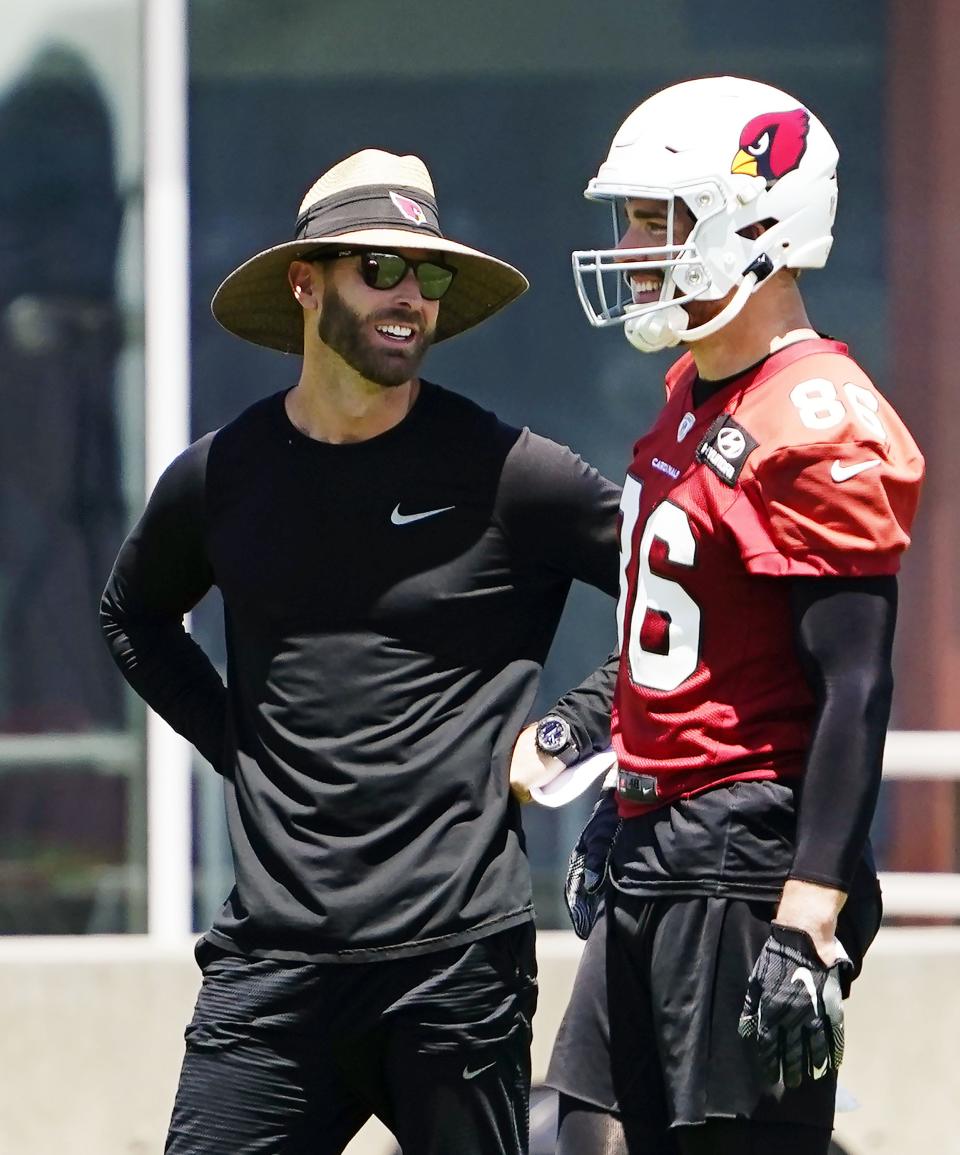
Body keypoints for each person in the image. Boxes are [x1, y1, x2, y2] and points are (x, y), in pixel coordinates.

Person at [100, 148, 622, 1155]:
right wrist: (241, 746)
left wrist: (571, 726)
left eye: (428, 276)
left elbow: (680, 590)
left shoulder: (510, 471)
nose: (411, 298)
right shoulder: (221, 475)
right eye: (379, 269)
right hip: (272, 963)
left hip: (456, 963)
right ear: (306, 283)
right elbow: (134, 618)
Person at [541, 76, 925, 1155]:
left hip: (742, 856)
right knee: (586, 1130)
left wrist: (808, 913)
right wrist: (622, 783)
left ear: (753, 222)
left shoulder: (819, 418)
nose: (630, 245)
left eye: (656, 219)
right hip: (657, 834)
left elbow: (856, 686)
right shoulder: (693, 388)